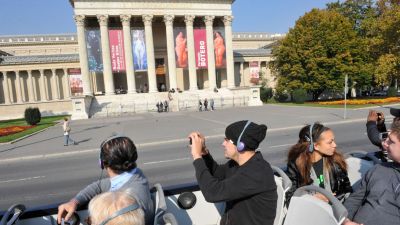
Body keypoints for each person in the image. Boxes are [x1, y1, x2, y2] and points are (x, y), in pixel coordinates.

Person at [189, 120, 277, 225]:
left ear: (241, 145)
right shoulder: (237, 164)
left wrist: (197, 156)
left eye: (227, 140)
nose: (223, 143)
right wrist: (204, 153)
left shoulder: (256, 172)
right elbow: (217, 173)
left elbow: (212, 193)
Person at [57, 135, 154, 225]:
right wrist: (75, 202)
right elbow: (98, 186)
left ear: (102, 163)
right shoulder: (134, 175)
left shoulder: (128, 201)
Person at [342, 120, 400, 225]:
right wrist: (345, 221)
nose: (384, 143)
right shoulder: (378, 169)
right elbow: (354, 200)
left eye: (391, 141)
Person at [285, 123, 352, 204]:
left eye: (333, 140)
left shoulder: (336, 161)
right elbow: (290, 197)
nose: (335, 145)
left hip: (337, 208)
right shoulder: (297, 165)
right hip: (310, 210)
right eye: (330, 142)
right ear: (316, 146)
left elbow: (347, 190)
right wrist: (311, 198)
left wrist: (334, 199)